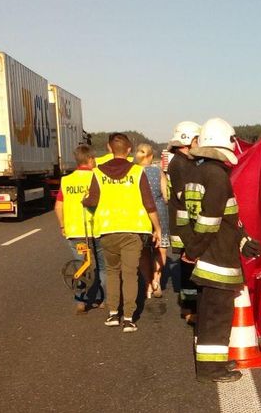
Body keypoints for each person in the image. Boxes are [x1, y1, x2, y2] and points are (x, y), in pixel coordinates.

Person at [183, 118, 261, 383]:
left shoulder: (197, 173)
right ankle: (210, 370)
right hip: (216, 259)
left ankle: (214, 362)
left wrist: (243, 240)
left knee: (210, 314)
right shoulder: (217, 176)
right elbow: (211, 221)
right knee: (217, 317)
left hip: (208, 254)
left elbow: (225, 218)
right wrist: (195, 249)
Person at [82, 133, 162, 333]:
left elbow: (91, 201)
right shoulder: (136, 172)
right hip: (133, 231)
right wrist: (157, 228)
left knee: (112, 272)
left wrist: (85, 199)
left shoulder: (98, 173)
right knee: (130, 274)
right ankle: (128, 318)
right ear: (128, 151)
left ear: (109, 149)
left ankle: (112, 314)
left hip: (107, 230)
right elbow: (148, 203)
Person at [55, 144, 104, 314]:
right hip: (96, 229)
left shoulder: (66, 180)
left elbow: (58, 206)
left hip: (74, 232)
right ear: (90, 160)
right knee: (101, 267)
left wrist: (62, 225)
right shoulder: (97, 178)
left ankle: (80, 300)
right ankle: (101, 298)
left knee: (81, 266)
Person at [166, 121, 203, 323]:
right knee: (188, 267)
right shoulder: (181, 164)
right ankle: (190, 308)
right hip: (185, 226)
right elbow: (187, 195)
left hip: (183, 224)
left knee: (187, 265)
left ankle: (189, 304)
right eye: (197, 140)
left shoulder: (183, 162)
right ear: (187, 141)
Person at [134, 142, 169, 298]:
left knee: (143, 251)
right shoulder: (158, 171)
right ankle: (157, 280)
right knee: (160, 247)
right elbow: (166, 196)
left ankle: (147, 284)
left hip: (140, 213)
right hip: (159, 211)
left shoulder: (133, 172)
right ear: (151, 156)